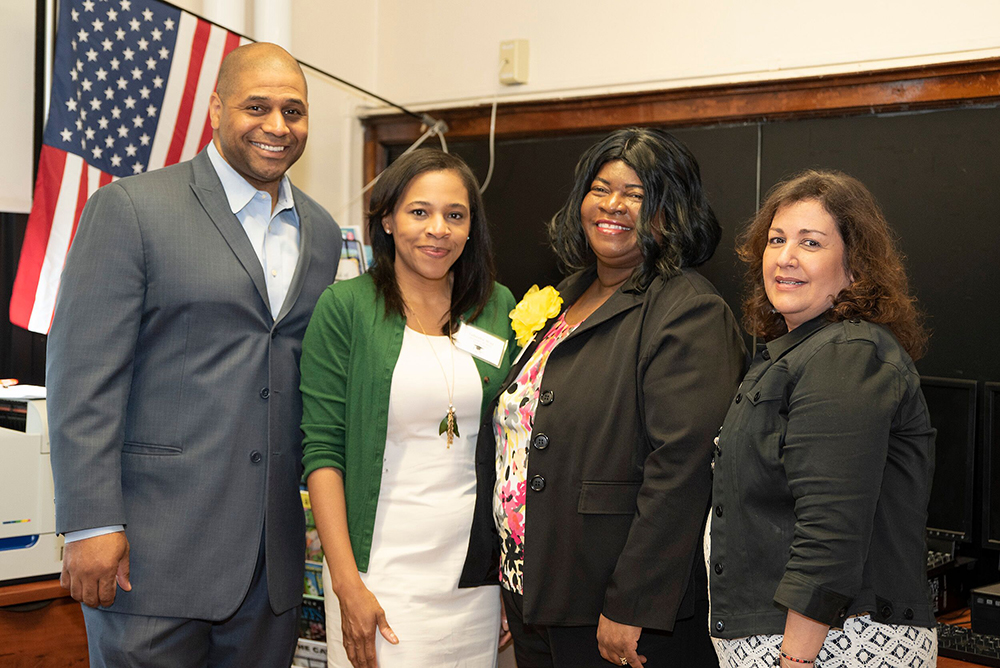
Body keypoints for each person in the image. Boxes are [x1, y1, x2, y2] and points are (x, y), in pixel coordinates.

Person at [47, 43, 342, 667]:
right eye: (256, 106)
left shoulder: (319, 232)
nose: (277, 126)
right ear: (214, 109)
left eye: (295, 110)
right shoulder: (130, 209)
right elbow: (82, 379)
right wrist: (90, 523)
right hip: (149, 560)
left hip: (272, 574)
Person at [460, 127, 747, 668]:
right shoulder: (562, 297)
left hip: (613, 604)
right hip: (533, 586)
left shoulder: (687, 311)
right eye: (601, 188)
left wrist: (631, 601)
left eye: (637, 194)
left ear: (672, 210)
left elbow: (682, 470)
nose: (613, 204)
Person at [707, 170, 936, 667]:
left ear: (855, 266)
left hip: (832, 646)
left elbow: (832, 528)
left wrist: (795, 660)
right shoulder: (798, 352)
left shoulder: (846, 354)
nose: (786, 257)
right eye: (776, 239)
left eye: (810, 242)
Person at [300, 148, 517, 668]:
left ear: (471, 229)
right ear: (389, 220)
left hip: (474, 579)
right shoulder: (346, 308)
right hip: (379, 574)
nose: (437, 229)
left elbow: (514, 442)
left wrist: (511, 581)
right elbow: (322, 453)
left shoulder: (497, 308)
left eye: (455, 215)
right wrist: (347, 584)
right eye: (419, 212)